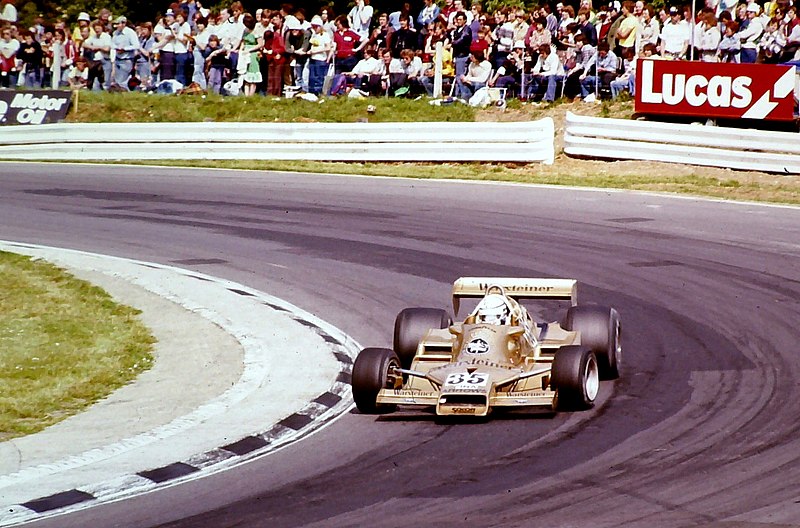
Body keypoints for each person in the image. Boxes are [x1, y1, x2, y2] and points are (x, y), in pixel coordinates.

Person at [111, 16, 139, 90]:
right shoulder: (115, 33)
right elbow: (112, 44)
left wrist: (125, 49)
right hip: (117, 59)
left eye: (118, 24)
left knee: (122, 81)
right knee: (117, 80)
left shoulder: (130, 33)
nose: (116, 26)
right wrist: (117, 48)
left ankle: (124, 94)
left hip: (127, 59)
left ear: (123, 24)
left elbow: (136, 45)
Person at [238, 13, 263, 96]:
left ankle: (251, 94)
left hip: (253, 54)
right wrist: (241, 50)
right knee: (245, 74)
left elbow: (260, 44)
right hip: (244, 54)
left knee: (253, 75)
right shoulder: (245, 31)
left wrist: (249, 49)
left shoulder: (256, 31)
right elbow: (243, 42)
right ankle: (246, 94)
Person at [82, 21, 112, 89]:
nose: (97, 30)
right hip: (96, 62)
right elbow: (84, 44)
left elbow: (107, 48)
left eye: (98, 28)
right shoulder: (93, 37)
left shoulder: (106, 37)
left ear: (102, 28)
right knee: (96, 83)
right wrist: (92, 47)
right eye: (95, 28)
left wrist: (98, 47)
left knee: (105, 82)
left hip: (105, 61)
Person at [307, 16, 332, 94]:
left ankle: (318, 93)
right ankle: (311, 92)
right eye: (313, 26)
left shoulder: (325, 35)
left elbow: (328, 47)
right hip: (312, 58)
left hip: (320, 59)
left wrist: (316, 51)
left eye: (315, 26)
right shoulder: (314, 35)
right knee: (311, 77)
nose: (314, 28)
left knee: (318, 78)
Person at [449, 11, 472, 79]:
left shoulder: (467, 29)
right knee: (457, 76)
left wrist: (452, 43)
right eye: (457, 19)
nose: (458, 21)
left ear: (464, 20)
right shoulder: (456, 30)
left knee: (460, 77)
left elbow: (462, 40)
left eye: (460, 20)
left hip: (463, 56)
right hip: (457, 56)